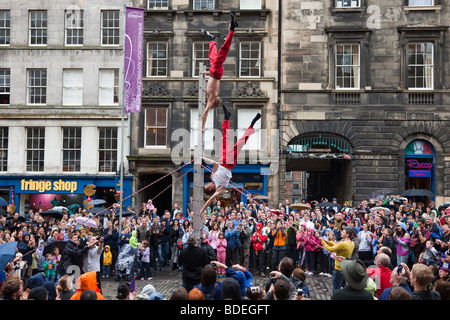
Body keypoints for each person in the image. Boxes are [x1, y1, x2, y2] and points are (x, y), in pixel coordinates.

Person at [201, 106, 261, 215]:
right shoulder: (219, 189)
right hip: (228, 163)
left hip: (221, 160)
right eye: (207, 185)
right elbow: (209, 201)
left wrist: (202, 158)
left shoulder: (211, 177)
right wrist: (202, 211)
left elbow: (214, 164)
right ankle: (252, 124)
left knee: (224, 139)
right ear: (210, 189)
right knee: (240, 143)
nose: (208, 183)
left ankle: (227, 118)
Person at [201, 13, 239, 133]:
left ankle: (211, 40)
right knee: (223, 51)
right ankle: (232, 30)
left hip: (213, 72)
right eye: (213, 106)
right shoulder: (212, 98)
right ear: (215, 104)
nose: (211, 106)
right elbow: (204, 114)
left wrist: (205, 73)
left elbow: (210, 82)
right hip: (216, 72)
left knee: (212, 56)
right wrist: (202, 127)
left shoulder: (209, 97)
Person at [321, 228, 355, 292]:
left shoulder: (343, 243)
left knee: (336, 289)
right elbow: (337, 245)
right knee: (344, 287)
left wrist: (323, 242)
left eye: (343, 232)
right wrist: (328, 242)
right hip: (345, 268)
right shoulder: (351, 243)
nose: (341, 232)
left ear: (347, 235)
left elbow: (331, 249)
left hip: (339, 268)